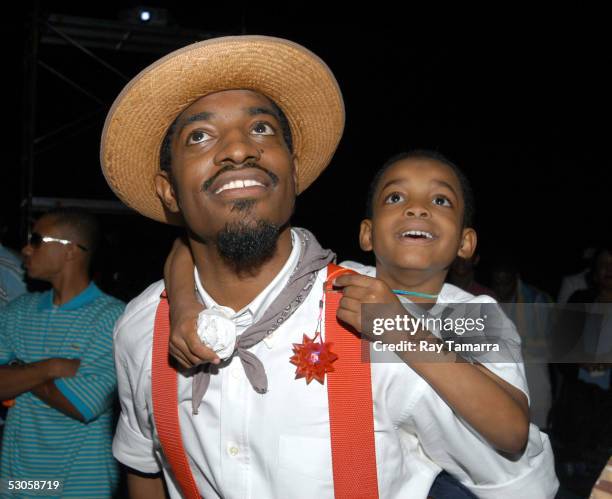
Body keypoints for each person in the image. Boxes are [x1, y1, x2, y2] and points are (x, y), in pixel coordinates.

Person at [105, 36, 558, 498]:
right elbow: (145, 466)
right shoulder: (141, 330)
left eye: (261, 128)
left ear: (295, 169)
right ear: (167, 191)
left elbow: (515, 478)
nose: (239, 149)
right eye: (199, 136)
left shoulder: (389, 319)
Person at [0, 208, 124, 498]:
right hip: (16, 486)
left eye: (37, 240)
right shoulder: (17, 312)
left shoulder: (114, 318)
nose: (26, 249)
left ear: (70, 250)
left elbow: (82, 404)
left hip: (80, 487)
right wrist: (52, 367)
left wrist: (18, 370)